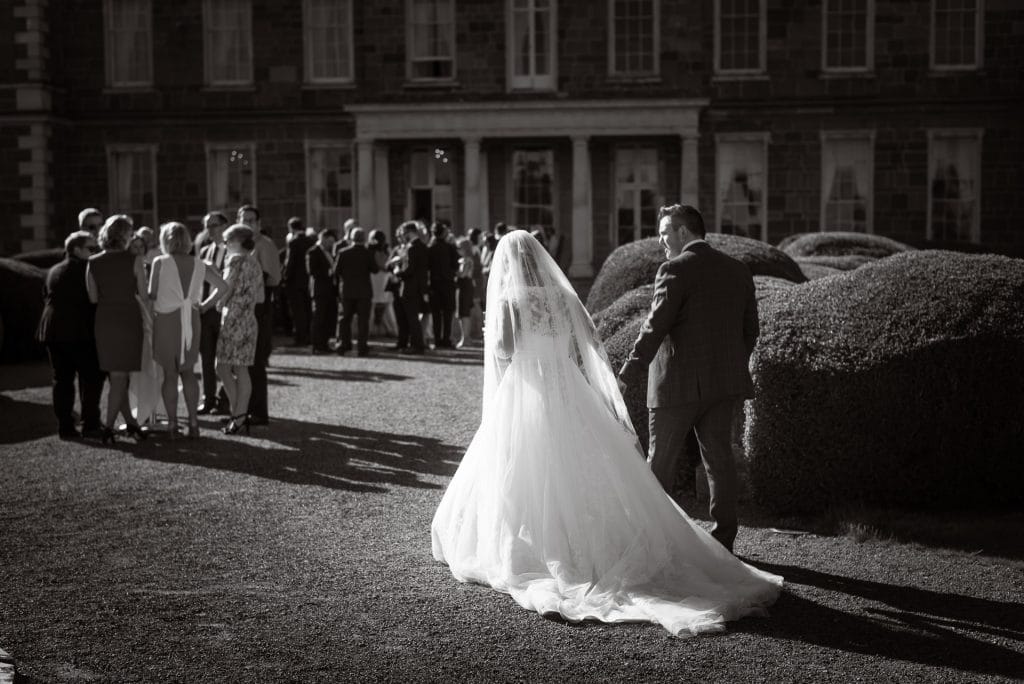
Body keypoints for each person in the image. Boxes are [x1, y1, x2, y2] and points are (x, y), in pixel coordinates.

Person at [431, 230, 782, 636]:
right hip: (567, 390)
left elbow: (507, 352)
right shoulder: (563, 297)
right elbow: (583, 345)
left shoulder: (510, 301)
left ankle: (541, 546)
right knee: (585, 466)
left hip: (527, 390)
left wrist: (498, 330)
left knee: (525, 466)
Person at [617, 204, 759, 554]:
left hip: (676, 386)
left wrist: (627, 373)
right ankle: (723, 542)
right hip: (723, 385)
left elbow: (654, 327)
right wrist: (729, 365)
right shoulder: (737, 269)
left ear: (683, 232)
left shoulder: (674, 269)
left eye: (665, 233)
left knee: (659, 463)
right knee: (719, 460)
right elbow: (750, 330)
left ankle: (651, 543)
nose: (661, 241)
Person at [149, 222, 228, 439]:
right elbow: (223, 287)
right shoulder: (199, 263)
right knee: (188, 372)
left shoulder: (159, 261)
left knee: (170, 374)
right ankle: (194, 423)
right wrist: (204, 305)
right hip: (191, 319)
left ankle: (173, 424)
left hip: (166, 320)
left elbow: (151, 293)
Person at [36, 231, 104, 440]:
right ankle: (90, 423)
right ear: (76, 249)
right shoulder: (88, 268)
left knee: (62, 379)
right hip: (80, 331)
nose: (96, 252)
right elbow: (95, 299)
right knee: (91, 377)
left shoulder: (53, 270)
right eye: (91, 248)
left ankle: (65, 426)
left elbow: (45, 296)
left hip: (53, 331)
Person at [85, 215, 146, 444]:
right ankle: (109, 428)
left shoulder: (93, 262)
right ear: (125, 236)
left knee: (118, 377)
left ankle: (131, 423)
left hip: (105, 320)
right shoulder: (135, 260)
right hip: (128, 319)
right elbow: (143, 292)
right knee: (120, 378)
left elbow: (92, 298)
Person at [215, 224, 265, 435]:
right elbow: (260, 297)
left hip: (234, 319)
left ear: (237, 241)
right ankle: (239, 415)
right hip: (248, 319)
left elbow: (225, 287)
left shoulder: (235, 259)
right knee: (236, 369)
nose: (225, 245)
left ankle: (238, 415)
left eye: (227, 241)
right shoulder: (254, 262)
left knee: (225, 368)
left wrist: (213, 304)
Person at [238, 204, 279, 426]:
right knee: (244, 360)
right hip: (244, 307)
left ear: (259, 223)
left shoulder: (265, 245)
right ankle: (245, 408)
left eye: (251, 220)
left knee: (256, 361)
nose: (248, 223)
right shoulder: (241, 244)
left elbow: (274, 279)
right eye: (244, 219)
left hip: (260, 308)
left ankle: (259, 412)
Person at [197, 211, 230, 414]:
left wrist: (215, 271)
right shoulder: (204, 251)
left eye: (214, 225)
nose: (210, 229)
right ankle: (208, 398)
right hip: (206, 311)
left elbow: (229, 282)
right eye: (208, 226)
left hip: (225, 310)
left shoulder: (233, 250)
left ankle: (224, 400)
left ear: (225, 226)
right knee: (206, 358)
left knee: (226, 359)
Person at [334, 227, 379, 356]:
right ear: (364, 239)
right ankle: (362, 347)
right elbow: (375, 270)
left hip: (347, 291)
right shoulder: (367, 253)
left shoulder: (343, 252)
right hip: (364, 291)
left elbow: (336, 271)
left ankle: (344, 345)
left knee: (344, 320)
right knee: (363, 321)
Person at [395, 220, 429, 354]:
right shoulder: (423, 246)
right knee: (413, 317)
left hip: (410, 287)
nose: (403, 236)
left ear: (410, 233)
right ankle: (414, 344)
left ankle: (417, 345)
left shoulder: (412, 248)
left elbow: (410, 269)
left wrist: (398, 272)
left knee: (412, 318)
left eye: (404, 233)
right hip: (419, 287)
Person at [283, 216, 314, 347]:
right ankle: (309, 335)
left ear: (291, 228)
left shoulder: (293, 242)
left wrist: (285, 277)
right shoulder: (311, 241)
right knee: (307, 310)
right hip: (308, 280)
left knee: (297, 311)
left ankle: (300, 337)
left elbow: (290, 263)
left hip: (295, 282)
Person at [427, 221, 459, 348]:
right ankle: (446, 339)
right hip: (448, 284)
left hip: (434, 285)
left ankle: (437, 340)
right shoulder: (450, 248)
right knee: (447, 314)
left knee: (436, 314)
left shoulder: (430, 249)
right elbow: (456, 266)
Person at [307, 229, 337, 354]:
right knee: (319, 318)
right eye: (330, 241)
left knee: (328, 318)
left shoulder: (329, 252)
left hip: (330, 290)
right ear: (323, 238)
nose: (331, 244)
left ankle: (324, 344)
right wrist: (328, 272)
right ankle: (316, 345)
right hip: (320, 289)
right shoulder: (313, 251)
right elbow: (312, 271)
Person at [368, 230, 398, 337]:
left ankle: (369, 330)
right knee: (388, 307)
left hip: (373, 278)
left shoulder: (369, 250)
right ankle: (393, 330)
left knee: (371, 306)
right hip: (384, 278)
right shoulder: (386, 249)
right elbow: (388, 264)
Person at [454, 237, 476, 348]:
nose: (457, 250)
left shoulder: (467, 260)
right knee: (461, 314)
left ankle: (466, 338)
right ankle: (464, 337)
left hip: (465, 286)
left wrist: (453, 271)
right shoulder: (463, 260)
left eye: (459, 248)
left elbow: (463, 274)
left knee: (464, 313)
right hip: (462, 287)